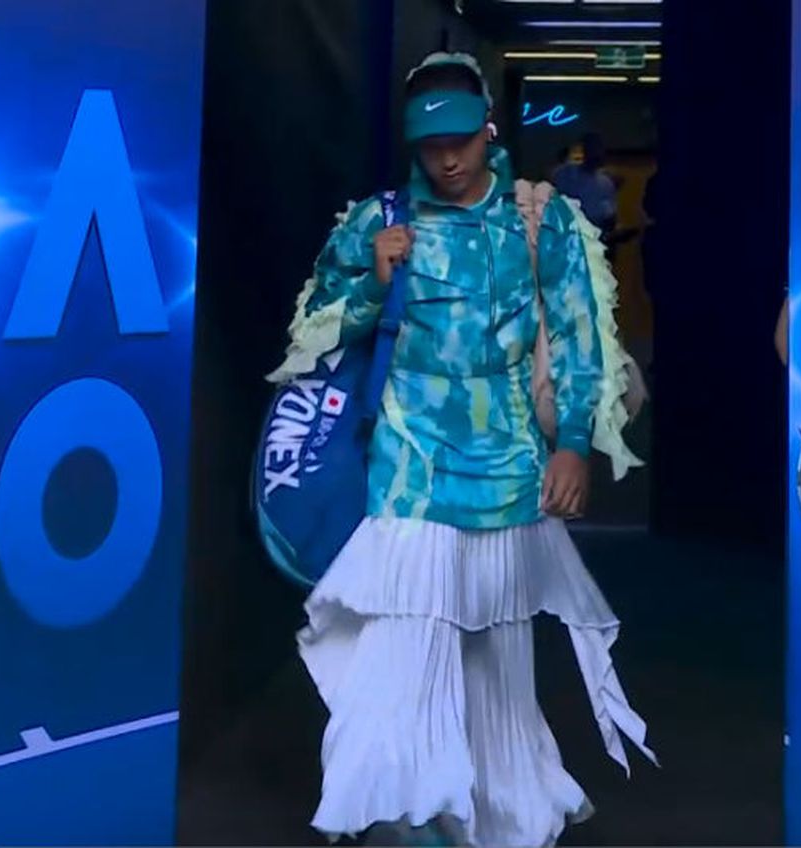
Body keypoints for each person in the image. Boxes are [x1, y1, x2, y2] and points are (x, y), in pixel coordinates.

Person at [268, 52, 654, 846]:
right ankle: (396, 817)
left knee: (494, 667)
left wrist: (572, 446)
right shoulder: (376, 221)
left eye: (461, 142)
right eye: (430, 145)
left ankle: (495, 820)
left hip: (510, 472)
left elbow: (578, 339)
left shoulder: (541, 221)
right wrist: (371, 285)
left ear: (489, 130)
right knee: (398, 652)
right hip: (409, 471)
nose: (447, 160)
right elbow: (312, 337)